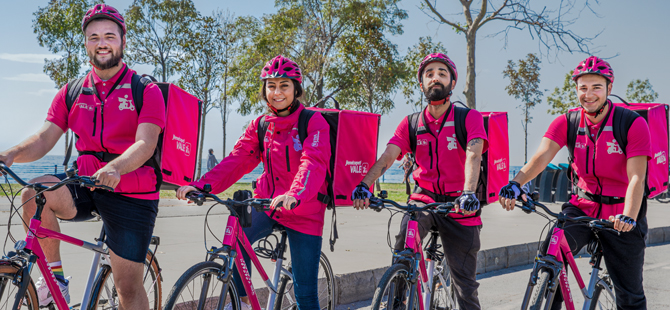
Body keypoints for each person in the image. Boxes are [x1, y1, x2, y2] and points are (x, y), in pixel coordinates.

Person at [0, 4, 166, 308]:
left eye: (109, 36)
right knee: (33, 194)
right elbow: (44, 137)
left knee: (127, 287)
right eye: (93, 37)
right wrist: (8, 154)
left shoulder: (146, 89)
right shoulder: (73, 91)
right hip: (87, 184)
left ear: (122, 41)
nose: (101, 42)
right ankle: (56, 281)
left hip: (133, 194)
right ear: (86, 43)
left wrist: (115, 167)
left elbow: (145, 144)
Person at [176, 55, 331, 310]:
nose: (277, 92)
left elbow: (313, 163)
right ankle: (244, 303)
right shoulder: (260, 125)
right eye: (271, 86)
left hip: (304, 210)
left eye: (284, 85)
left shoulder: (312, 122)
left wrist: (295, 194)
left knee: (306, 295)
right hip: (269, 204)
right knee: (237, 237)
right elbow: (237, 160)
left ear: (296, 89)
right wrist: (202, 185)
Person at [499, 56, 650, 309]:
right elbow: (541, 157)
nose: (589, 94)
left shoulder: (632, 123)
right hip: (582, 205)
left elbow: (637, 176)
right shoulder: (568, 121)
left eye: (596, 87)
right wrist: (516, 183)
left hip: (621, 212)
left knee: (630, 294)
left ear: (609, 89)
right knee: (551, 254)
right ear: (576, 89)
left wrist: (629, 216)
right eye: (583, 88)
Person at [351, 53, 487, 310]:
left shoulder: (468, 118)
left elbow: (474, 154)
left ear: (452, 83)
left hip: (460, 204)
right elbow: (388, 157)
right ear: (422, 83)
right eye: (429, 73)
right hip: (424, 199)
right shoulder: (412, 123)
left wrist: (469, 193)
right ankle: (398, 300)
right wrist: (364, 184)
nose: (435, 77)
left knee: (465, 286)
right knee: (404, 246)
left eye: (442, 73)